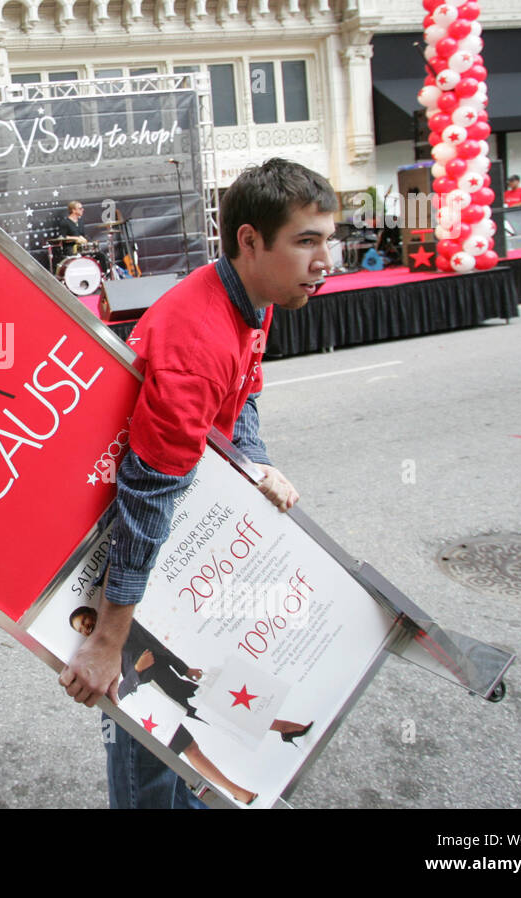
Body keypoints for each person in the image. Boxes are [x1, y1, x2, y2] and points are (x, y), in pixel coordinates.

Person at [58, 157, 336, 809]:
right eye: (306, 241)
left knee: (188, 707)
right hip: (143, 548)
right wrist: (107, 639)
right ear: (249, 240)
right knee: (147, 731)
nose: (326, 259)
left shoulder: (253, 299)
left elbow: (245, 402)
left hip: (192, 532)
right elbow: (146, 498)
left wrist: (255, 464)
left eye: (328, 238)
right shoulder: (198, 341)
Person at [69, 606, 258, 807]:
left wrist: (184, 668)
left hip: (172, 683)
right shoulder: (97, 654)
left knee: (221, 709)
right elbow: (118, 696)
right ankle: (237, 791)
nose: (86, 628)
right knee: (188, 748)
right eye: (82, 628)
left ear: (96, 614)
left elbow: (157, 646)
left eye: (86, 620)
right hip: (149, 702)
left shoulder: (127, 624)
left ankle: (282, 728)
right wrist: (136, 671)